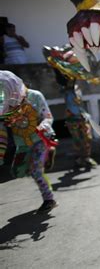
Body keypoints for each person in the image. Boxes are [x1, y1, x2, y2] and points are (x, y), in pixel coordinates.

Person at [0, 71, 57, 213]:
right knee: (17, 172)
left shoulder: (35, 96)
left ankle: (49, 199)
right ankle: (45, 159)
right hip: (23, 144)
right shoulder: (3, 105)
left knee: (35, 170)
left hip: (41, 140)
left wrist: (43, 126)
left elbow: (48, 117)